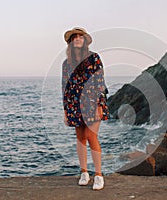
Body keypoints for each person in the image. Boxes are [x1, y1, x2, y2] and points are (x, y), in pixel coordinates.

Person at [62, 27, 110, 190]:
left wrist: (100, 104)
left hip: (92, 103)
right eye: (74, 37)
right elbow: (65, 87)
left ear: (84, 41)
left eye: (80, 36)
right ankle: (84, 173)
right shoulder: (66, 63)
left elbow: (100, 82)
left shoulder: (94, 58)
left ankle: (98, 175)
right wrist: (65, 111)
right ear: (70, 42)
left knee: (91, 136)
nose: (77, 39)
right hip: (74, 104)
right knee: (80, 138)